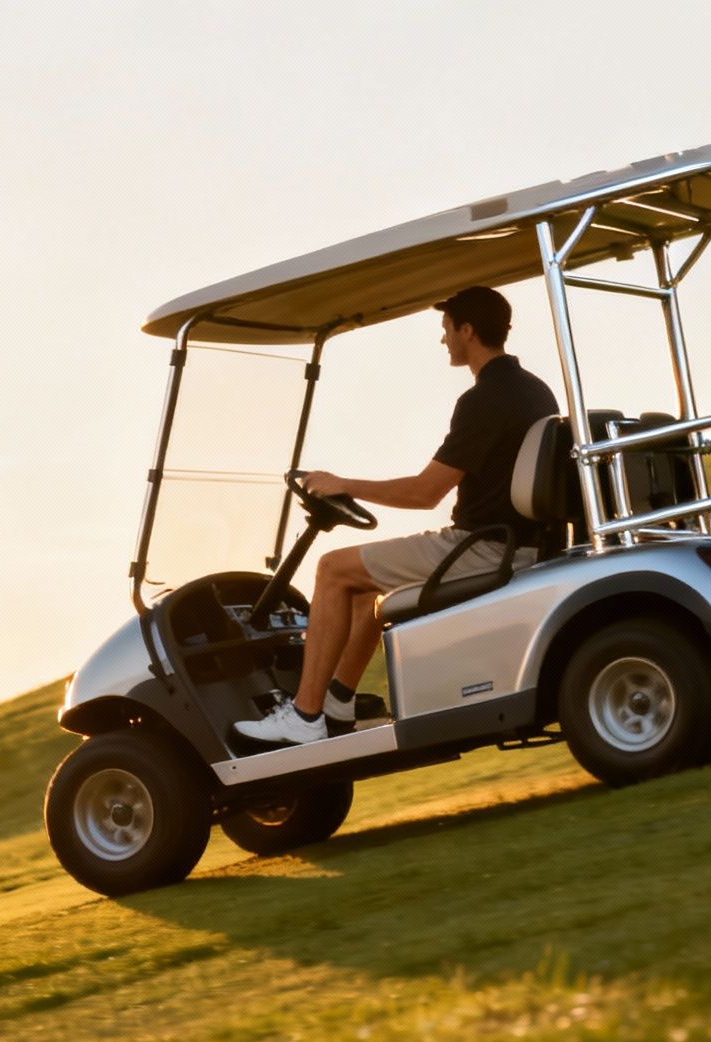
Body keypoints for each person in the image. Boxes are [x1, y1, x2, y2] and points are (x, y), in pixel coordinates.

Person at [234, 286, 559, 747]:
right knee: (363, 582)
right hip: (510, 539)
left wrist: (345, 485)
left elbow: (425, 492)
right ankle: (337, 701)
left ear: (468, 331)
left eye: (447, 330)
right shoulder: (532, 388)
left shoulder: (485, 399)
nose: (443, 340)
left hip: (483, 546)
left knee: (332, 568)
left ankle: (303, 716)